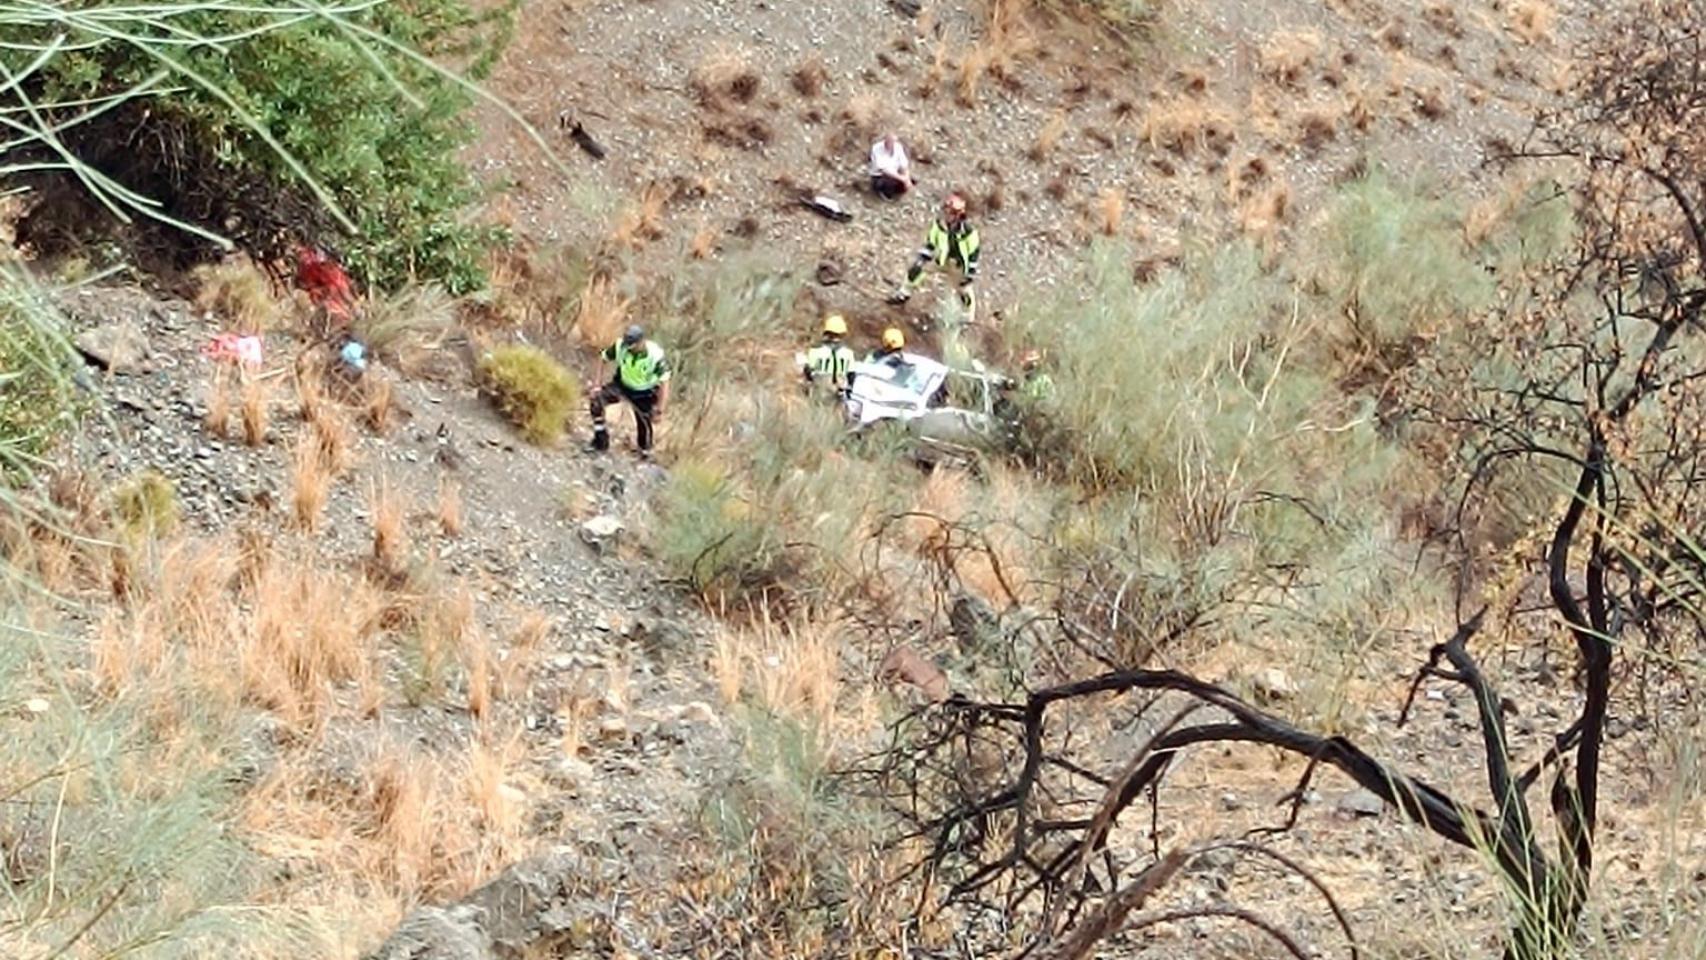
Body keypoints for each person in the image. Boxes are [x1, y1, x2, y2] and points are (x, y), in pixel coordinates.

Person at [891, 193, 980, 325]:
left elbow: (974, 252)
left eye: (950, 213)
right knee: (916, 271)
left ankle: (967, 316)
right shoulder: (939, 225)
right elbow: (931, 242)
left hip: (958, 265)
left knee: (964, 289)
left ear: (957, 215)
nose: (946, 215)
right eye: (946, 211)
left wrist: (971, 271)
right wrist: (922, 258)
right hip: (941, 259)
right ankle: (903, 293)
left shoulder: (968, 232)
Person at [588, 324, 670, 458]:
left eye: (632, 345)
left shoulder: (655, 356)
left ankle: (644, 452)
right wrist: (597, 385)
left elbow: (665, 383)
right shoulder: (621, 346)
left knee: (644, 424)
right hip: (622, 385)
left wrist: (659, 409)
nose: (629, 348)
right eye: (628, 345)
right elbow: (603, 358)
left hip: (645, 392)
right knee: (597, 401)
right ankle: (600, 441)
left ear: (641, 341)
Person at [803, 314, 857, 398]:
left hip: (819, 392)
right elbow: (851, 374)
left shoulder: (815, 352)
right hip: (839, 393)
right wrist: (849, 389)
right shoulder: (848, 353)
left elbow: (808, 372)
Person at [869, 134, 913, 199]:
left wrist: (907, 178)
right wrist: (902, 178)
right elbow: (883, 169)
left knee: (910, 181)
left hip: (895, 173)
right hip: (880, 175)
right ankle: (884, 193)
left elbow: (904, 165)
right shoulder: (876, 148)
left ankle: (897, 191)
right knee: (885, 183)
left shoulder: (898, 147)